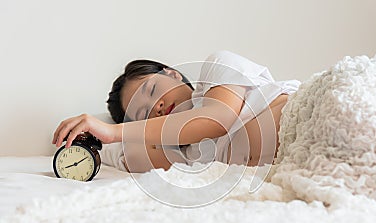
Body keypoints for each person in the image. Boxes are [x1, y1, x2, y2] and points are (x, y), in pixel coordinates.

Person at [52, 50, 300, 173]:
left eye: (151, 90)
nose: (156, 107)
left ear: (172, 73)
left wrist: (113, 131)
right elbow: (124, 155)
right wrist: (94, 136)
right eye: (144, 114)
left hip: (311, 118)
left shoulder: (218, 67)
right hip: (301, 163)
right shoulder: (186, 156)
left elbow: (217, 119)